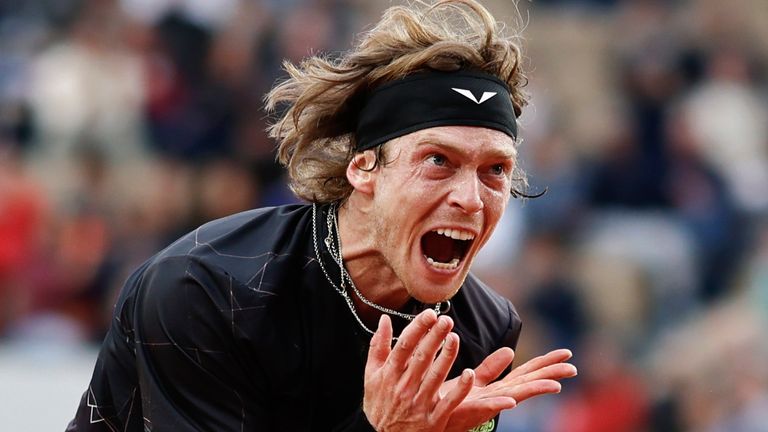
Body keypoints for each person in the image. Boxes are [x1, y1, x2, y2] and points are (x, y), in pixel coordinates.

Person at [68, 1, 577, 430]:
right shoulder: (204, 291)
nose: (471, 197)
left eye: (495, 170)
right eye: (438, 160)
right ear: (364, 169)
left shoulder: (481, 331)